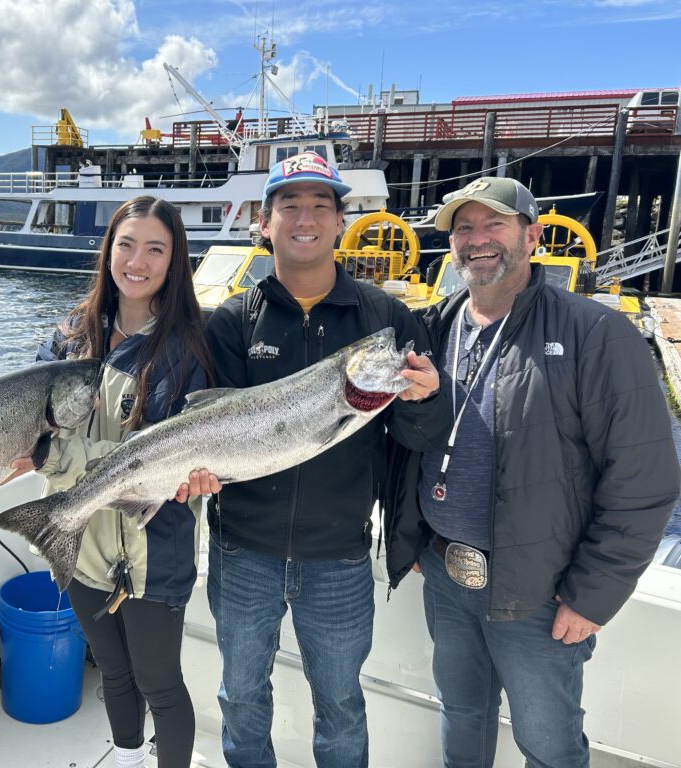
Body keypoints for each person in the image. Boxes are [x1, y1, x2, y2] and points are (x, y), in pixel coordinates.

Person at [383, 177, 680, 768]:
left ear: (532, 234)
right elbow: (406, 445)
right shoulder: (434, 328)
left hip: (541, 589)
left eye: (494, 224)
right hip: (446, 570)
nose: (477, 240)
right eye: (463, 229)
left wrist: (592, 596)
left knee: (547, 743)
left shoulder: (595, 333)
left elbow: (644, 481)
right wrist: (413, 537)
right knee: (461, 716)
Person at [203, 152, 451, 768]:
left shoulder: (386, 320)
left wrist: (425, 398)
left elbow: (417, 437)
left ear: (341, 221)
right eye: (290, 205)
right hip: (241, 551)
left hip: (339, 557)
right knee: (240, 697)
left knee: (341, 705)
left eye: (321, 205)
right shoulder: (233, 320)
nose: (304, 218)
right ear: (265, 223)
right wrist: (199, 475)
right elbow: (210, 433)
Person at [18, 195, 216, 768]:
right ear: (108, 251)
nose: (137, 260)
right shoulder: (69, 336)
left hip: (152, 547)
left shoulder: (185, 349)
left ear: (175, 259)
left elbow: (158, 459)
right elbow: (30, 428)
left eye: (156, 248)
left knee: (160, 684)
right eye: (126, 244)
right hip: (74, 537)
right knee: (113, 670)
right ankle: (127, 759)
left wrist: (58, 454)